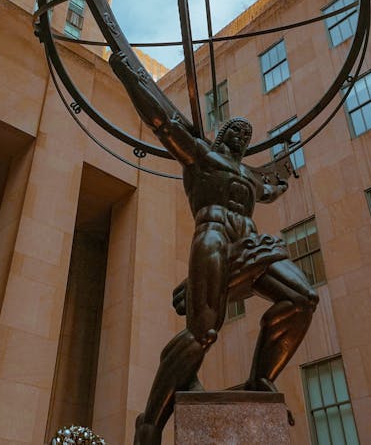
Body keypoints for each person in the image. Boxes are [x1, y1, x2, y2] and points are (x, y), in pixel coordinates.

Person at [106, 52, 318, 445]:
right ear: (221, 135)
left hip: (253, 245)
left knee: (303, 298)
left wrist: (287, 164)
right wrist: (126, 72)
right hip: (214, 239)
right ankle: (149, 422)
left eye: (246, 135)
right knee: (203, 333)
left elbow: (274, 185)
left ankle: (261, 378)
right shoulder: (201, 157)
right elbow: (163, 122)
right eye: (235, 131)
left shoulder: (250, 177)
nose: (241, 137)